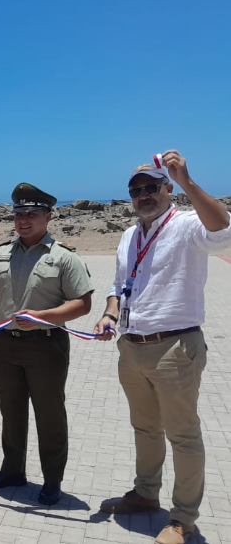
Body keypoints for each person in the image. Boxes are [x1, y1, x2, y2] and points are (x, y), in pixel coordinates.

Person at [94, 151, 231, 544]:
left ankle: (183, 519)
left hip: (175, 348)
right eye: (136, 191)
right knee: (145, 428)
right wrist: (109, 314)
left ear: (168, 189)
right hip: (131, 346)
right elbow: (119, 286)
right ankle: (145, 493)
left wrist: (189, 181)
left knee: (183, 436)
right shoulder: (129, 235)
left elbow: (224, 231)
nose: (144, 195)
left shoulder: (187, 224)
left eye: (152, 187)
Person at [0, 183, 93, 505]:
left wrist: (43, 317)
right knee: (11, 413)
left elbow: (83, 304)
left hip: (46, 347)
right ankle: (12, 471)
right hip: (5, 346)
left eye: (31, 215)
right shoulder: (0, 254)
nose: (23, 221)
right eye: (18, 214)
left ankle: (52, 480)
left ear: (48, 217)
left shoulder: (63, 257)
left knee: (49, 416)